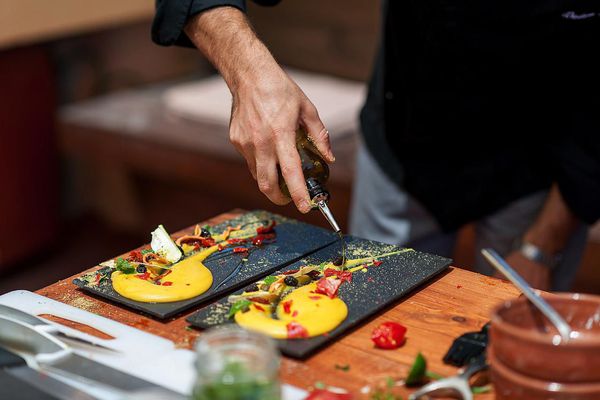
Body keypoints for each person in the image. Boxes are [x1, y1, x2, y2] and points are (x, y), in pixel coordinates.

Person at [152, 1, 600, 291]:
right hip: (401, 143)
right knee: (373, 296)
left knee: (517, 336)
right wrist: (249, 74)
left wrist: (543, 246)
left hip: (542, 166)